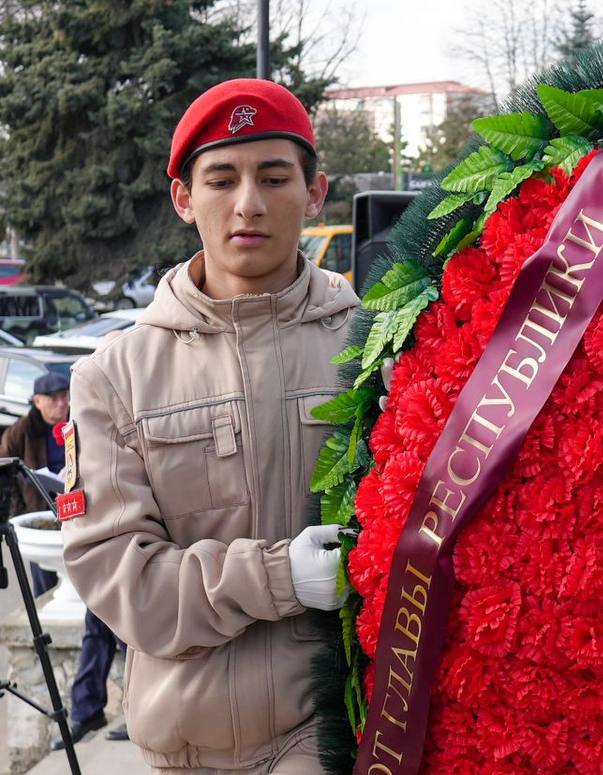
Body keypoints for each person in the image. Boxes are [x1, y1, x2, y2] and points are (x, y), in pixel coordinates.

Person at [60, 79, 358, 772]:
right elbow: (123, 582)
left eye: (274, 177)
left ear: (315, 194)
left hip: (332, 734)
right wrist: (282, 577)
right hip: (183, 749)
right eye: (221, 179)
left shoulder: (375, 346)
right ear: (184, 199)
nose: (248, 203)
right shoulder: (114, 376)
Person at [0, 371, 69, 596]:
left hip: (77, 507)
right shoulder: (21, 431)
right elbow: (4, 470)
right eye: (54, 398)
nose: (62, 403)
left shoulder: (78, 422)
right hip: (40, 510)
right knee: (44, 581)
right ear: (38, 401)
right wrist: (20, 511)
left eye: (65, 396)